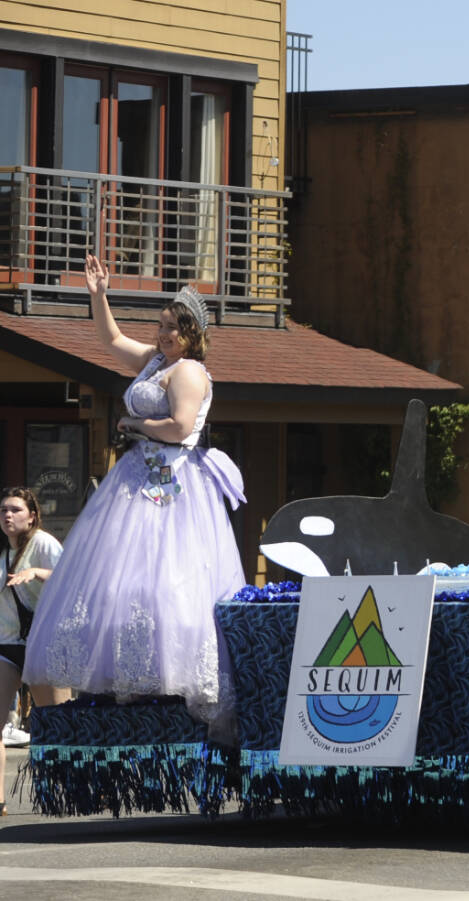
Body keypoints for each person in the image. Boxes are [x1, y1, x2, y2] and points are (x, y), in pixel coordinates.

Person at [24, 254, 246, 739]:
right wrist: (99, 295)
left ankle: (175, 679)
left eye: (172, 329)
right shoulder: (155, 362)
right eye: (161, 325)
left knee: (167, 577)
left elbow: (181, 426)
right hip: (138, 477)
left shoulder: (187, 372)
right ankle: (132, 674)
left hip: (171, 482)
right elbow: (111, 341)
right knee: (120, 579)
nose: (163, 335)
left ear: (191, 334)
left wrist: (134, 424)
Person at [0, 487, 64, 816]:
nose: (8, 516)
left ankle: (68, 788)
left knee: (57, 724)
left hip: (44, 642)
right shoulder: (3, 553)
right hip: (8, 643)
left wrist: (38, 573)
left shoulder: (44, 543)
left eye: (15, 510)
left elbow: (73, 579)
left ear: (32, 515)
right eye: (3, 511)